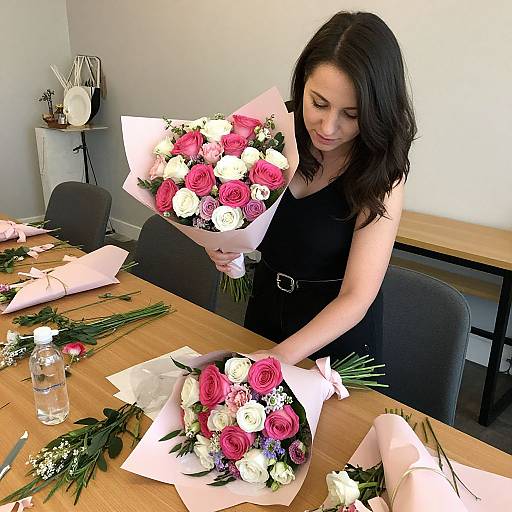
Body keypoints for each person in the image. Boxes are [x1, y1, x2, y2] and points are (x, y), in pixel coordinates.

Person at [206, 11, 416, 366]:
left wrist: (281, 356)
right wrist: (223, 244)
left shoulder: (382, 171)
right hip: (264, 313)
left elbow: (357, 295)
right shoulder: (271, 136)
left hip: (335, 341)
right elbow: (241, 215)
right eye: (318, 103)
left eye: (351, 114)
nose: (329, 127)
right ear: (302, 83)